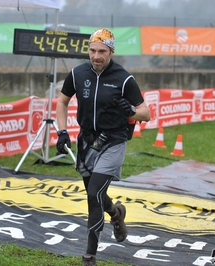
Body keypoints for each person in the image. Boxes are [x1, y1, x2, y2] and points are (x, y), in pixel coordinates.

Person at [55, 28, 151, 266]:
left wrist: (130, 111)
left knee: (92, 194)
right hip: (88, 141)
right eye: (92, 50)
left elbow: (146, 113)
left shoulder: (124, 78)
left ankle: (89, 256)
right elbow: (62, 102)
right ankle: (116, 214)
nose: (96, 56)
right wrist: (62, 131)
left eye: (102, 51)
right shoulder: (78, 74)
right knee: (96, 192)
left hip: (113, 140)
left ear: (111, 52)